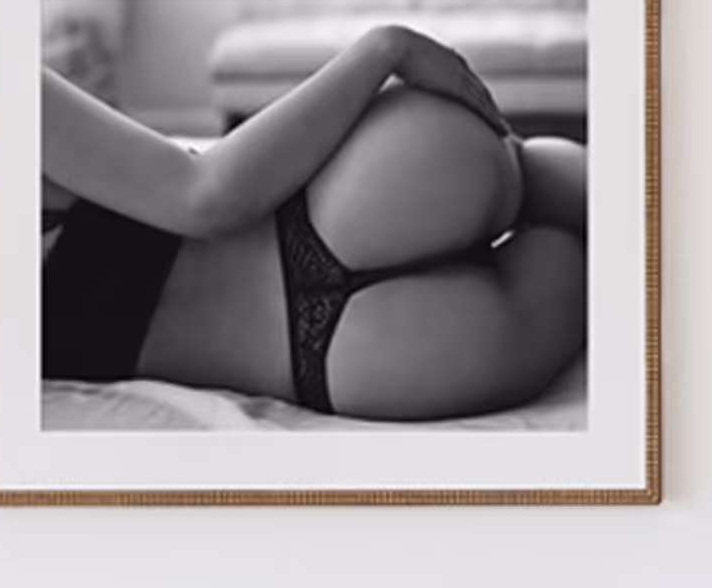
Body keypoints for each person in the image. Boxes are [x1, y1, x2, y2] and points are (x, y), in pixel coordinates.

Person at [40, 23, 587, 421]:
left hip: (354, 364)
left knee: (614, 275)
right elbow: (203, 194)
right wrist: (384, 49)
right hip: (349, 201)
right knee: (648, 221)